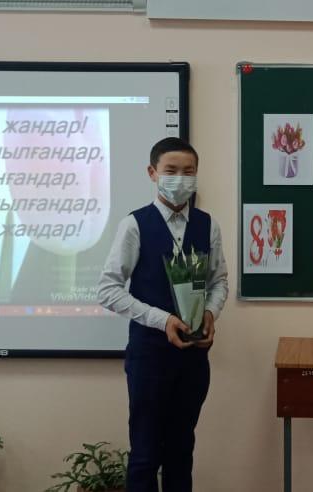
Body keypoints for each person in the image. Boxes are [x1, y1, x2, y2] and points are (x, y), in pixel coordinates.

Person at [97, 137, 228, 492]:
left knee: (181, 451)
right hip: (150, 357)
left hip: (194, 358)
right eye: (171, 170)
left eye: (189, 171)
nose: (180, 179)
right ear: (153, 173)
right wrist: (162, 320)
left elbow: (219, 281)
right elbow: (107, 290)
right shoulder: (134, 225)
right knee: (145, 455)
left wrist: (211, 312)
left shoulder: (208, 225)